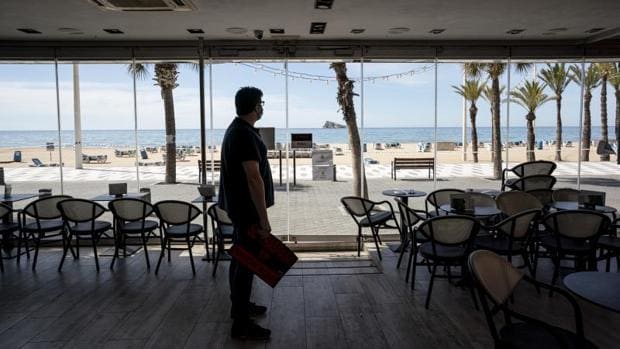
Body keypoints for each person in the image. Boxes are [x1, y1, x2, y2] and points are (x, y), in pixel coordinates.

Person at [218, 86, 274, 340]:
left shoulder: (238, 130)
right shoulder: (243, 134)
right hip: (247, 211)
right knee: (246, 265)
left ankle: (239, 307)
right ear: (255, 107)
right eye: (261, 103)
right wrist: (263, 219)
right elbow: (254, 179)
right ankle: (241, 324)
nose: (262, 107)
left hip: (240, 208)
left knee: (241, 260)